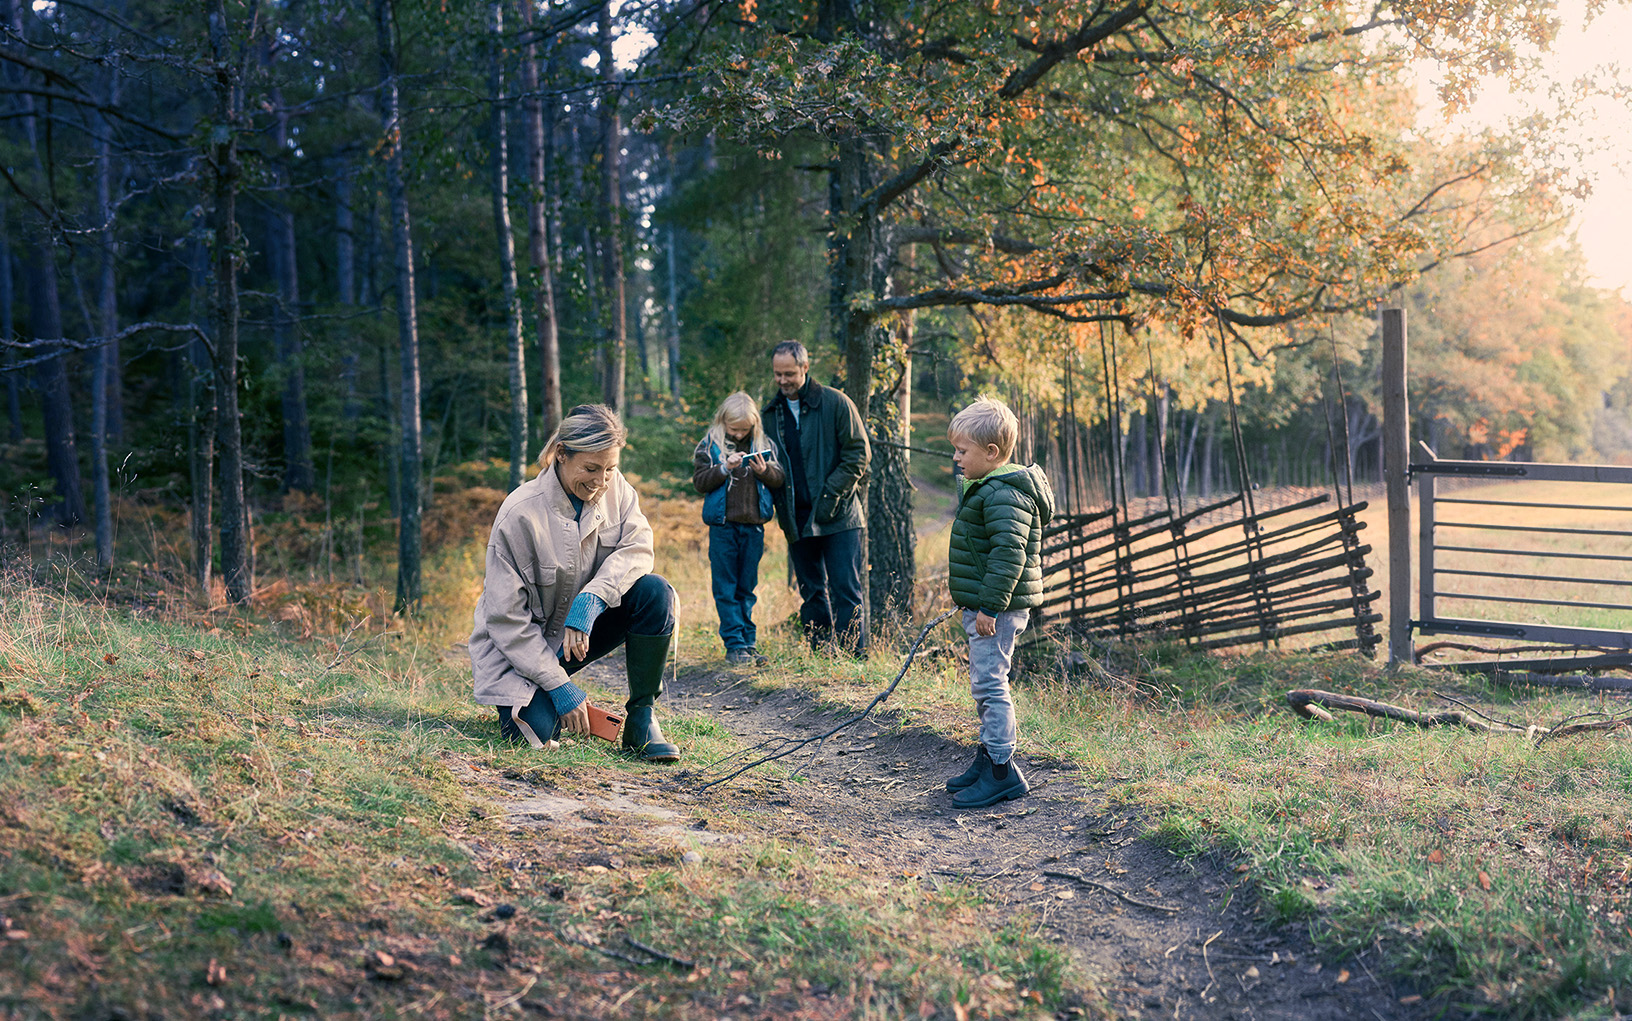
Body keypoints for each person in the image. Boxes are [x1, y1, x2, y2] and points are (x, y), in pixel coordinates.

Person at [469, 404, 681, 762]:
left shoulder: (617, 489)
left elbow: (638, 548)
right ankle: (543, 697)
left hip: (579, 632)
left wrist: (592, 599)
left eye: (610, 469)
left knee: (655, 592)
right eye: (591, 469)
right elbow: (506, 622)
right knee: (537, 732)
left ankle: (642, 720)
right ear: (561, 454)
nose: (601, 482)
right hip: (523, 650)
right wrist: (559, 686)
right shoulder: (519, 514)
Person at [943, 396, 1054, 808]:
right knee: (984, 683)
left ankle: (1003, 771)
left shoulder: (1004, 494)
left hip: (998, 610)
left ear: (991, 452)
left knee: (991, 684)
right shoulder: (991, 488)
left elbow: (1009, 553)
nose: (956, 458)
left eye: (962, 451)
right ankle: (987, 758)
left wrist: (989, 606)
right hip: (990, 606)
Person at [760, 341, 871, 657]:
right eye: (778, 374)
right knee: (811, 592)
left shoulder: (836, 403)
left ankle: (854, 659)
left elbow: (858, 454)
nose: (783, 381)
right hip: (796, 518)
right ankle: (822, 657)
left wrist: (831, 495)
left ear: (805, 368)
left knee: (845, 591)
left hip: (840, 515)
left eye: (789, 374)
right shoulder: (769, 414)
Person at [694, 392, 785, 666]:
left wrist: (764, 470)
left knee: (747, 587)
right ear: (723, 422)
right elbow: (700, 482)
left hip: (754, 528)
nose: (739, 434)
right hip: (723, 528)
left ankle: (748, 642)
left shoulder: (764, 444)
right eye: (734, 429)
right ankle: (734, 644)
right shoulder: (710, 446)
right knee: (726, 587)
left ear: (753, 426)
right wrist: (724, 468)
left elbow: (779, 478)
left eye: (744, 429)